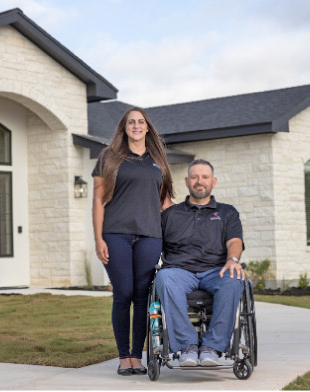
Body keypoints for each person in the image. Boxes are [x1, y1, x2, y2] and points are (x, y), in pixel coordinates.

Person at [92, 107, 174, 376]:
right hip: (116, 235)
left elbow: (165, 203)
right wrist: (98, 238)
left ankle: (137, 357)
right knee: (123, 293)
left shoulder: (158, 160)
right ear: (124, 127)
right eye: (131, 122)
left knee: (142, 297)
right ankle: (122, 356)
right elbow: (98, 200)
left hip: (150, 236)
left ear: (147, 127)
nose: (136, 126)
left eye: (141, 122)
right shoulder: (110, 158)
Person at [155, 159, 245, 367]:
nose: (199, 181)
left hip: (216, 271)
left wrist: (232, 260)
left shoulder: (227, 212)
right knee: (164, 277)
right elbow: (152, 244)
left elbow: (234, 241)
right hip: (179, 271)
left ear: (213, 182)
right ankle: (187, 345)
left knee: (234, 278)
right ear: (187, 181)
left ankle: (211, 347)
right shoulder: (170, 215)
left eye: (204, 177)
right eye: (194, 177)